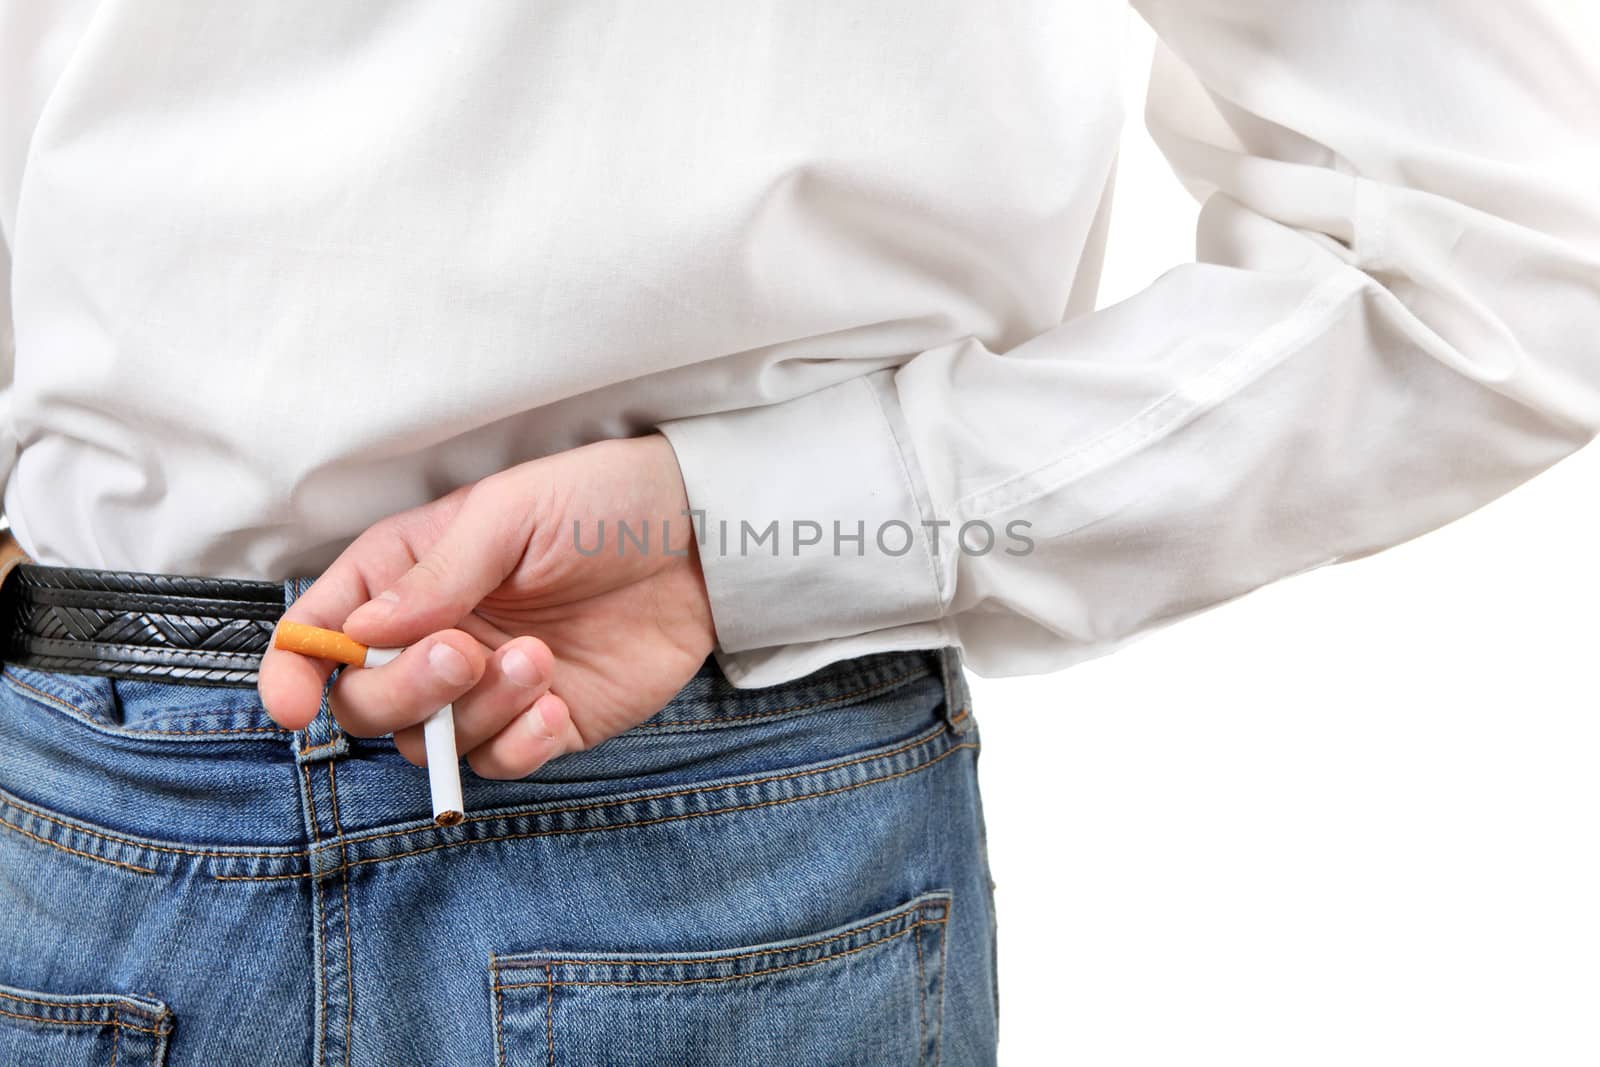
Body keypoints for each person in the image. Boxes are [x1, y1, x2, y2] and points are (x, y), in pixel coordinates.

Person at [0, 2, 1595, 1063]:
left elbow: (1511, 264)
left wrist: (728, 540)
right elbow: (1507, 251)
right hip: (118, 787)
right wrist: (749, 528)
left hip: (181, 781)